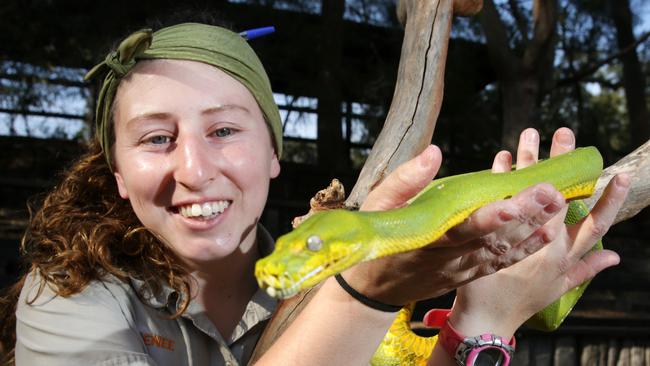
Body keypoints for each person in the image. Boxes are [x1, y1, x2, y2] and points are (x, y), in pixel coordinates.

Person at [0, 19, 629, 366]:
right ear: (116, 175)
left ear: (275, 153)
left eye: (223, 129)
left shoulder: (334, 273)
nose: (193, 169)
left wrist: (483, 323)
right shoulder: (67, 301)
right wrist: (362, 296)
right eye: (157, 138)